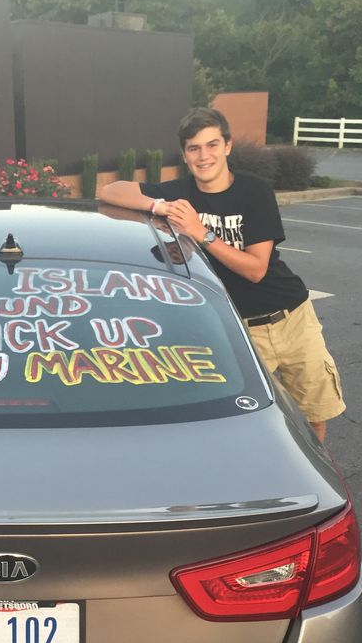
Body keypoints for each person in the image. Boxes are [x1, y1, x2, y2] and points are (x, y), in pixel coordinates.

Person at [100, 107, 345, 442]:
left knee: (313, 417)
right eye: (194, 148)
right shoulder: (178, 193)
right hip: (237, 329)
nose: (204, 156)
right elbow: (111, 190)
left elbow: (256, 269)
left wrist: (201, 234)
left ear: (227, 146)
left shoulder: (254, 191)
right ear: (185, 155)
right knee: (247, 423)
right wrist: (159, 207)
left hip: (291, 317)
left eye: (212, 145)